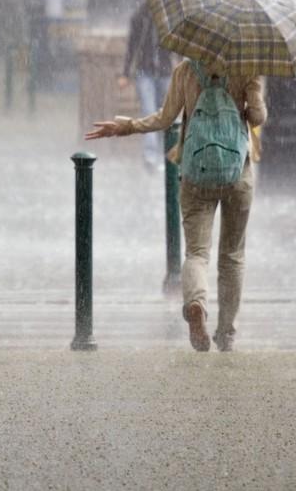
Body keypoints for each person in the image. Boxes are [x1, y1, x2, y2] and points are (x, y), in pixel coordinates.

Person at [85, 59, 266, 352]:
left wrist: (126, 126)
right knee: (232, 256)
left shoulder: (187, 69)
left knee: (196, 253)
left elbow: (165, 118)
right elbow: (258, 117)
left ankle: (196, 303)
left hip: (196, 171)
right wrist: (248, 98)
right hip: (238, 172)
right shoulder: (247, 65)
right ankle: (226, 334)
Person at [118, 4, 174, 173]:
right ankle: (151, 156)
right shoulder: (140, 18)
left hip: (164, 73)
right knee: (149, 113)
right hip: (145, 73)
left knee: (165, 115)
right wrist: (125, 73)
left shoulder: (170, 18)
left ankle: (164, 155)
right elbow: (132, 46)